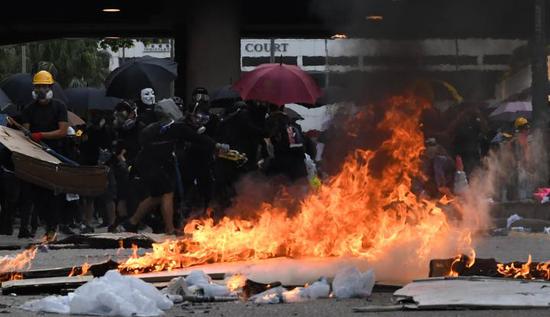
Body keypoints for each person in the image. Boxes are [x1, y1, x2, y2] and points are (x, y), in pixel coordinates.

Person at [121, 109, 229, 234]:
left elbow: (144, 139)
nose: (198, 122)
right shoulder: (179, 127)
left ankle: (131, 223)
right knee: (168, 192)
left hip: (145, 163)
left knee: (157, 196)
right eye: (196, 118)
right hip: (152, 164)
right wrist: (218, 145)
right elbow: (197, 138)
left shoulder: (162, 126)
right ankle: (169, 229)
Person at [21, 70, 69, 240]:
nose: (41, 89)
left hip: (56, 154)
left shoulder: (59, 107)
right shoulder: (28, 108)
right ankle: (46, 225)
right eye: (38, 86)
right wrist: (29, 135)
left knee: (54, 193)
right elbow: (26, 131)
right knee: (37, 193)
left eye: (44, 86)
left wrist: (41, 135)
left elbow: (62, 131)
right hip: (35, 155)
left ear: (50, 87)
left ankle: (53, 226)